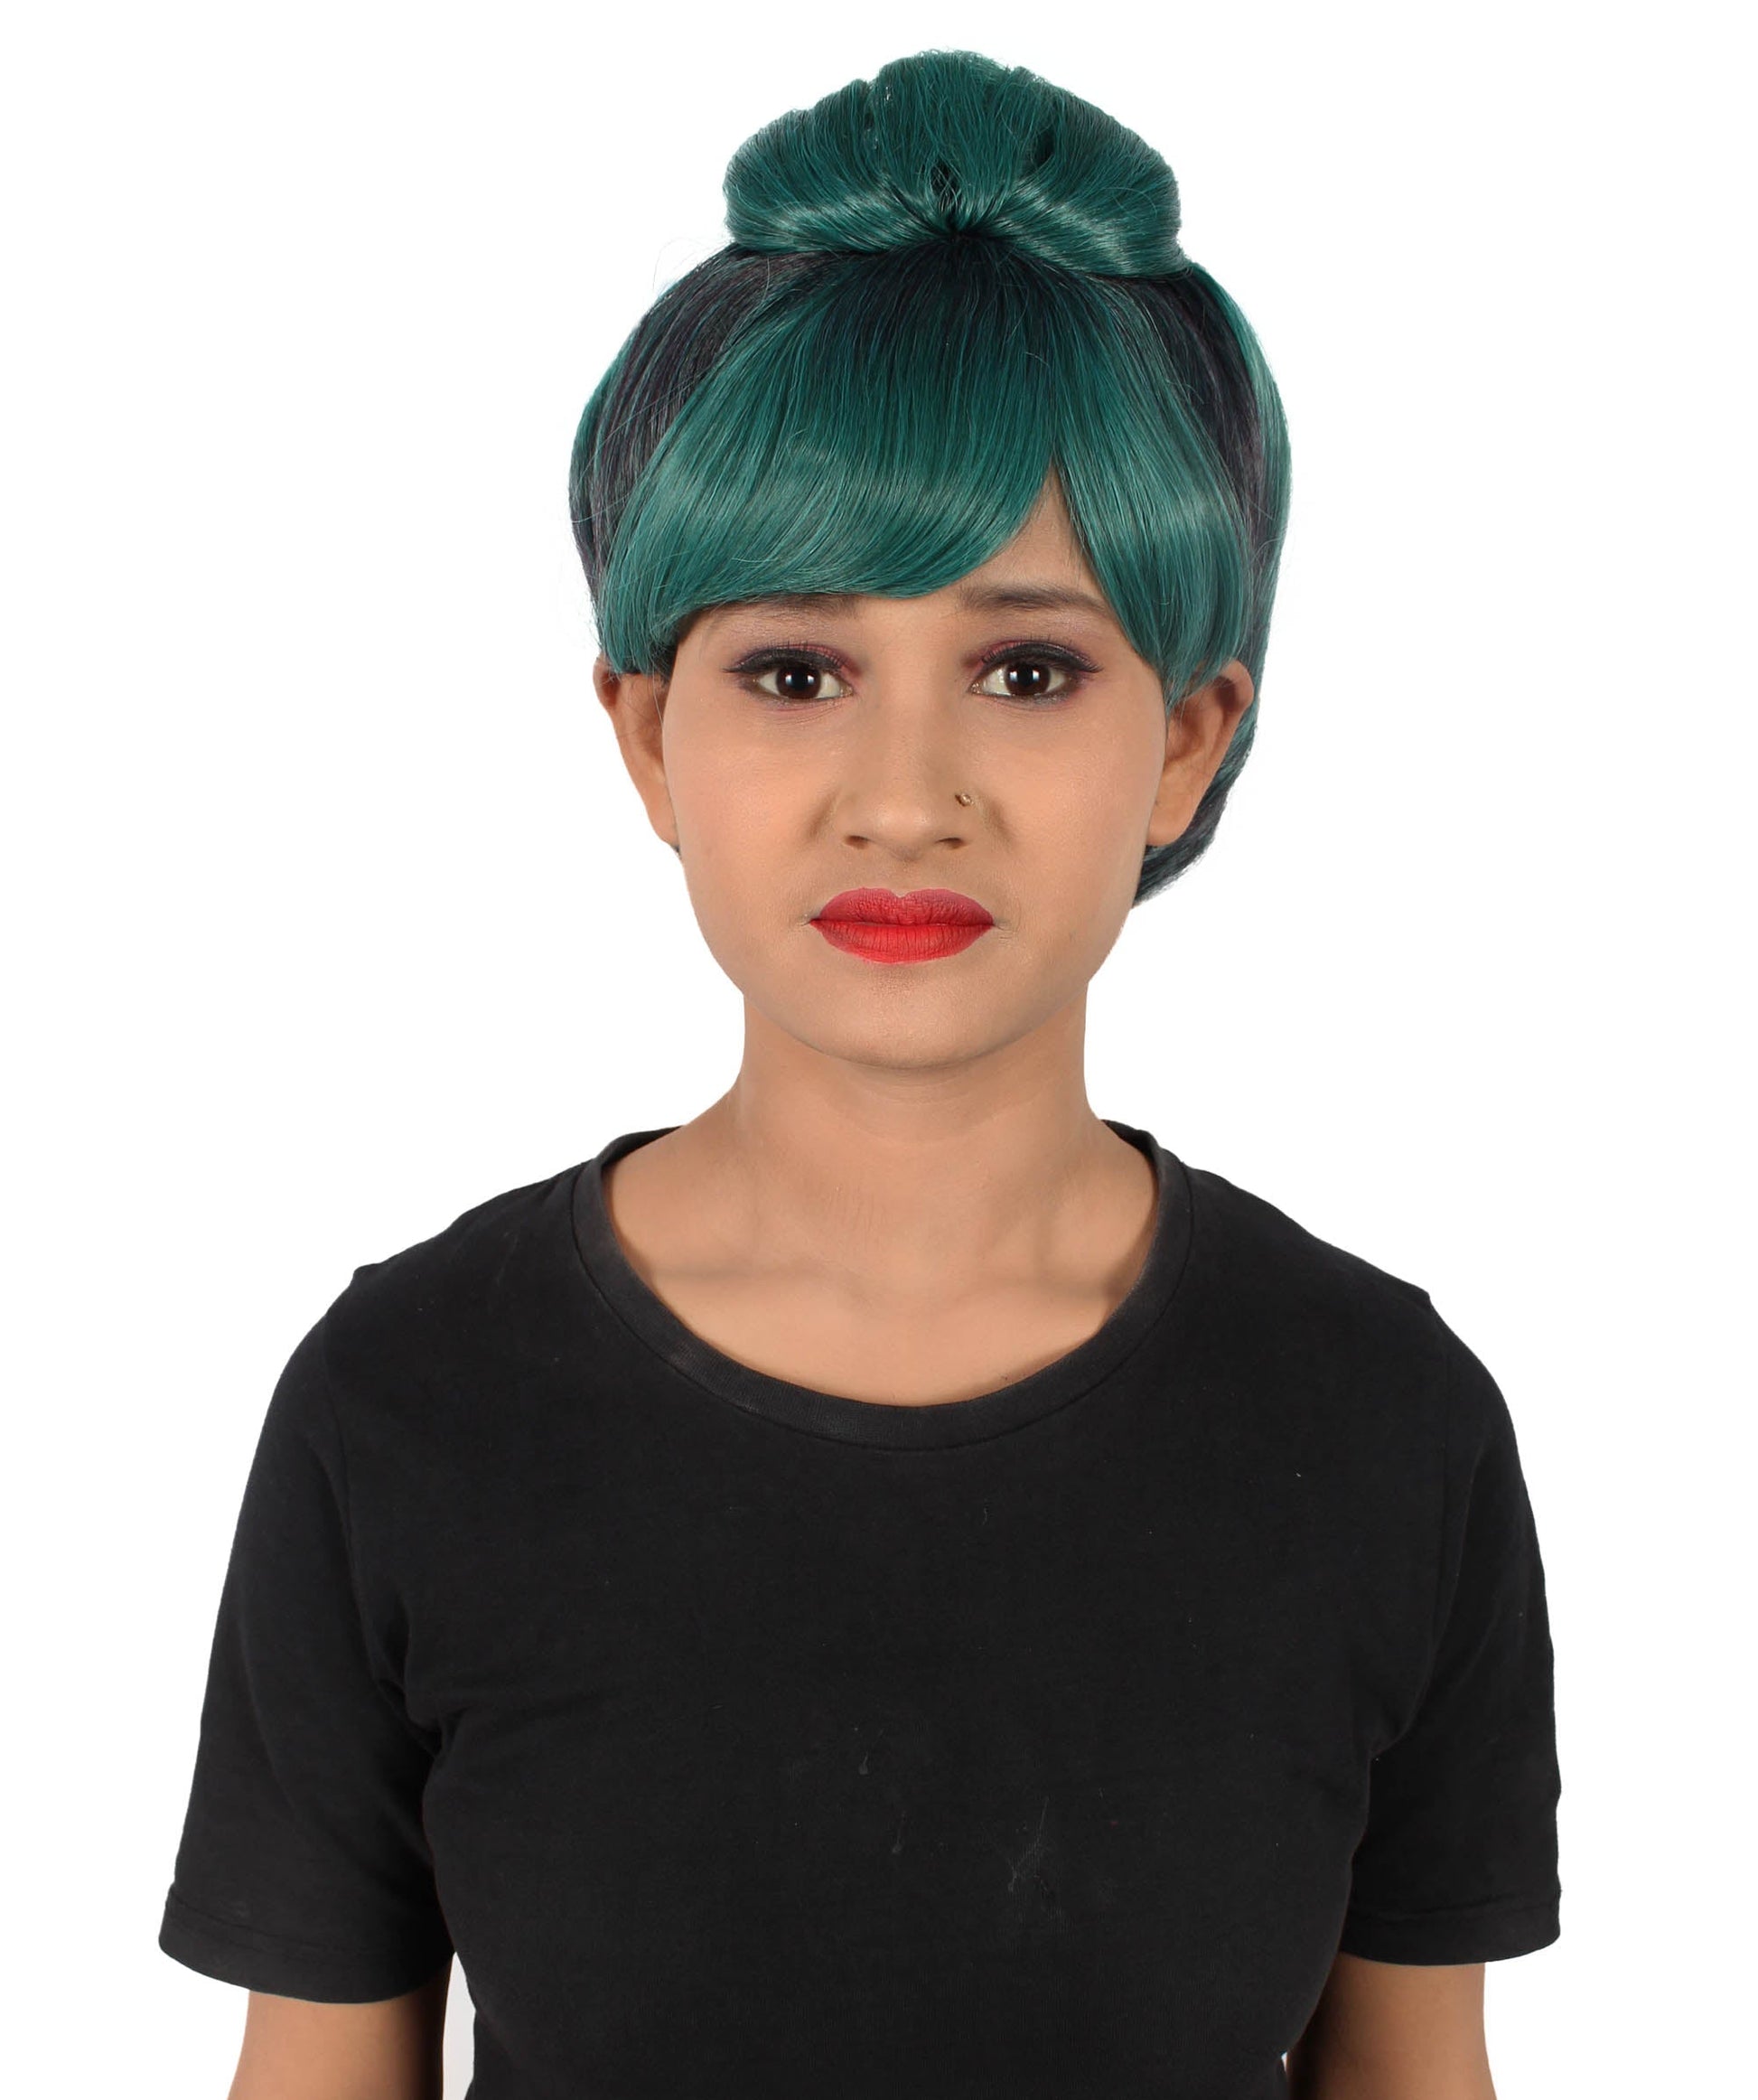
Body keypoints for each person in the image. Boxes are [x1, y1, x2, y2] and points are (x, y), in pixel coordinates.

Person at [158, 47, 1561, 2100]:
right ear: (649, 735)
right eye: (796, 671)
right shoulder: (406, 1406)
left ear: (1186, 739)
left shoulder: (1380, 1426)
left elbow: (1416, 2073)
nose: (905, 796)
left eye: (1027, 668)